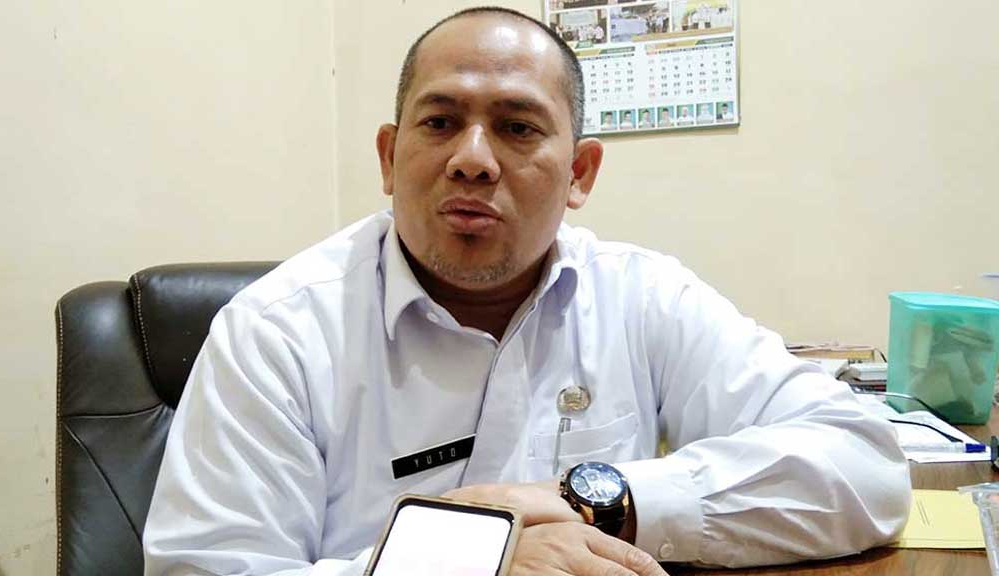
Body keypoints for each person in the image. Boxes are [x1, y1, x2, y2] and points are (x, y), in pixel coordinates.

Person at [143, 6, 910, 576]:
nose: (472, 159)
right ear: (388, 157)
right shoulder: (274, 332)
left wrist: (601, 501)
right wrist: (467, 562)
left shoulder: (643, 297)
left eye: (517, 128)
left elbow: (866, 468)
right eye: (440, 122)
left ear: (580, 173)